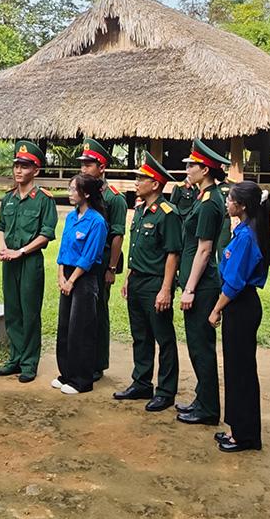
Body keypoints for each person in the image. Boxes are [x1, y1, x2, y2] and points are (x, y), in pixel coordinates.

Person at [114, 153, 183, 412]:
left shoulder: (168, 213)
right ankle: (141, 382)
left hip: (156, 283)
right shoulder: (141, 210)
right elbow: (137, 249)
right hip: (137, 282)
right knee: (140, 336)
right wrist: (129, 278)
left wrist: (166, 289)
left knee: (163, 338)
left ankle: (166, 391)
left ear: (155, 184)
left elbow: (172, 254)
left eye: (142, 178)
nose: (136, 181)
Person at [208, 180, 270, 453]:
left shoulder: (246, 237)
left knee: (241, 372)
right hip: (239, 306)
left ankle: (244, 436)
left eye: (230, 199)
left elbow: (234, 283)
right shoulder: (244, 230)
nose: (227, 202)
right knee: (235, 370)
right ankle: (238, 429)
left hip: (240, 306)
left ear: (242, 205)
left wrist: (216, 308)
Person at [175, 140, 229, 427]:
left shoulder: (209, 203)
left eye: (191, 165)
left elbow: (205, 249)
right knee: (198, 346)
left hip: (203, 285)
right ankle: (201, 399)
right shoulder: (203, 196)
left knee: (201, 347)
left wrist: (190, 288)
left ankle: (208, 409)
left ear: (205, 169)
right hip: (198, 282)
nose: (187, 169)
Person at [0, 141, 58, 381]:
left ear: (36, 170)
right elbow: (0, 226)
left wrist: (20, 252)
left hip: (29, 262)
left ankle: (29, 362)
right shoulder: (7, 199)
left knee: (30, 312)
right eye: (16, 165)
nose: (18, 170)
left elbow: (46, 234)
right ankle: (15, 358)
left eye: (24, 166)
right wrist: (2, 247)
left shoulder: (43, 199)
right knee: (12, 311)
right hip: (9, 261)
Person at [77, 138, 128, 381]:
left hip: (102, 261)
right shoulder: (83, 195)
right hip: (82, 261)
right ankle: (82, 357)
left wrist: (112, 268)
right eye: (83, 164)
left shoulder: (114, 199)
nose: (84, 168)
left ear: (102, 168)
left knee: (98, 310)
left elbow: (117, 236)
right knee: (82, 310)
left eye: (89, 164)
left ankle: (98, 362)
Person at [53, 174, 109, 394]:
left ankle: (82, 379)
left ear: (86, 193)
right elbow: (64, 249)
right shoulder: (70, 217)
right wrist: (60, 276)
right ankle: (66, 373)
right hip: (67, 273)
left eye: (73, 189)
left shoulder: (97, 221)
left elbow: (89, 256)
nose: (69, 193)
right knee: (65, 326)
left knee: (81, 328)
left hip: (84, 277)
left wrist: (72, 280)